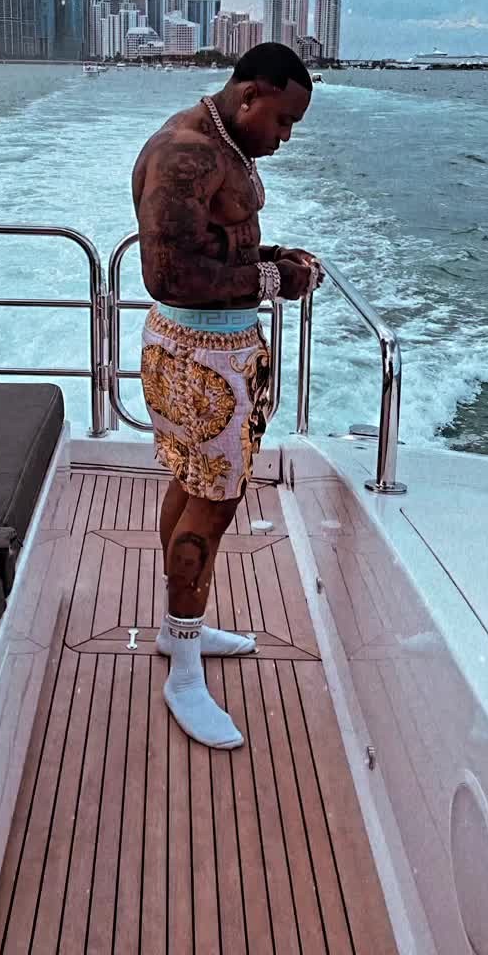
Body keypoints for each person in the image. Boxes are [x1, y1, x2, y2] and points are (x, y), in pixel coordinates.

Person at [132, 41, 322, 749]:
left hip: (211, 351)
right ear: (249, 97)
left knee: (191, 487)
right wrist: (275, 281)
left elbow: (212, 245)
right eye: (283, 120)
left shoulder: (223, 145)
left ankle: (176, 630)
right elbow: (168, 275)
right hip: (202, 359)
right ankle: (183, 673)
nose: (286, 136)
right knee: (211, 508)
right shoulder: (185, 152)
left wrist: (271, 257)